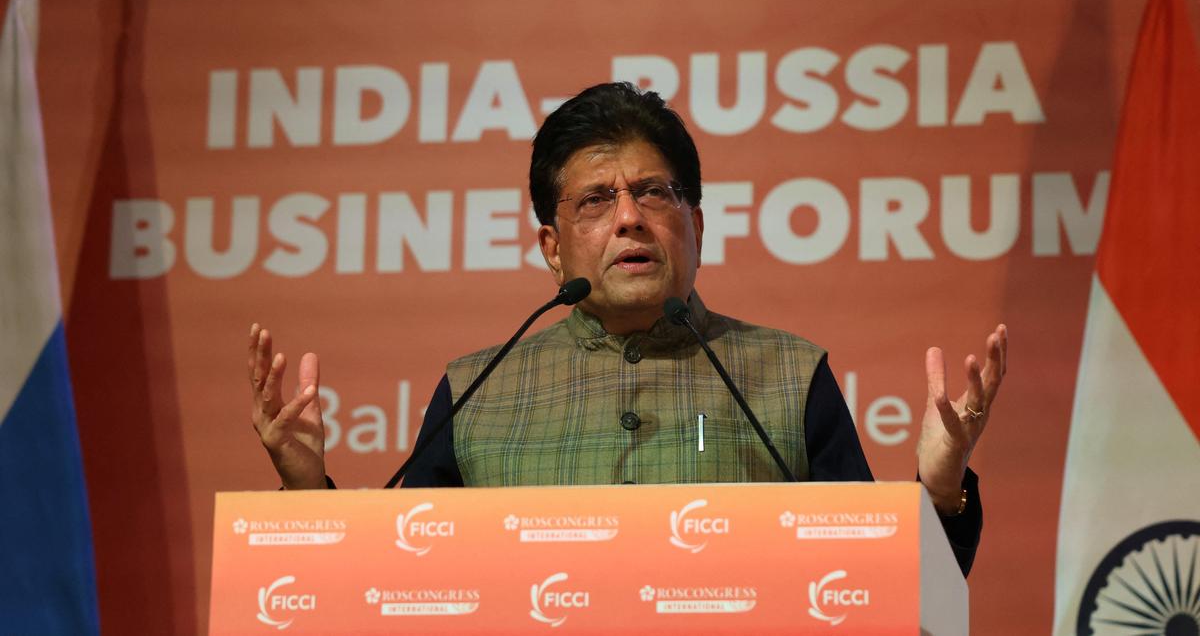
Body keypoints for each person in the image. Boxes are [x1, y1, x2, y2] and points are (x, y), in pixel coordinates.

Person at [247, 82, 1006, 576]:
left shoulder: (788, 373)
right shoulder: (476, 389)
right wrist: (307, 493)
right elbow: (397, 587)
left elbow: (877, 590)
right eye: (595, 200)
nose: (630, 218)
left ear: (696, 225)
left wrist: (940, 493)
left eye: (653, 192)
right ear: (552, 248)